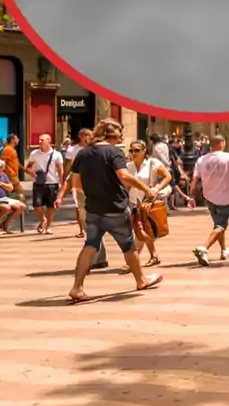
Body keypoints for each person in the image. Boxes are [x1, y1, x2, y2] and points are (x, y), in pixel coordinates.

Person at [55, 118, 163, 303]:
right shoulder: (114, 152)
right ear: (111, 135)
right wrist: (147, 189)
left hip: (93, 209)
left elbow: (76, 183)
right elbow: (124, 175)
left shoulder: (83, 153)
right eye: (118, 135)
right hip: (115, 207)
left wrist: (94, 192)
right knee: (128, 246)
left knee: (90, 246)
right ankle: (141, 280)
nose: (119, 139)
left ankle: (77, 288)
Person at [191, 135, 229, 266]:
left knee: (218, 225)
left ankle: (224, 250)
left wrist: (191, 196)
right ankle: (204, 248)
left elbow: (194, 180)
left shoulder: (201, 160)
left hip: (209, 197)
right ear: (222, 143)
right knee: (221, 225)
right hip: (224, 197)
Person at [124, 139, 171, 271]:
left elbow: (168, 176)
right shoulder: (129, 166)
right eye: (131, 150)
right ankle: (153, 255)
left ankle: (133, 261)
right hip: (134, 201)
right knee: (142, 230)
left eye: (137, 150)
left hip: (148, 202)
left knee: (139, 230)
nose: (134, 153)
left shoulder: (152, 163)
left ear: (144, 151)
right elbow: (127, 184)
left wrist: (157, 188)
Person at [25, 133, 63, 235]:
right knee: (36, 205)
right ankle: (43, 219)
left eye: (42, 140)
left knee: (51, 206)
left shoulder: (57, 154)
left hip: (52, 182)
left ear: (49, 141)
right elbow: (28, 167)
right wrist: (30, 172)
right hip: (38, 183)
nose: (39, 142)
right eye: (39, 140)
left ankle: (49, 227)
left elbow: (60, 170)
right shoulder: (34, 153)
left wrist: (62, 184)